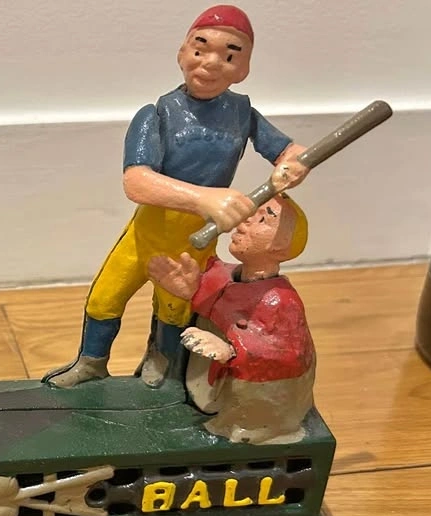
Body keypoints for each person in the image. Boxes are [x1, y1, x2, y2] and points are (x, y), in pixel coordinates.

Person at [43, 4, 309, 389]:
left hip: (194, 241)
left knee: (175, 308)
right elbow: (137, 181)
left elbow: (287, 150)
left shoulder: (243, 113)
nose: (211, 63)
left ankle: (162, 364)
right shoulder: (157, 114)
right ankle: (91, 363)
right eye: (200, 49)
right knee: (104, 298)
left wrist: (295, 163)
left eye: (229, 56)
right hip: (146, 234)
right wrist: (205, 199)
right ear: (182, 53)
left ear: (244, 69)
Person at [147, 195, 315, 444]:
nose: (244, 222)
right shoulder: (224, 274)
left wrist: (232, 351)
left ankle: (256, 429)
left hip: (257, 401)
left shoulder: (280, 301)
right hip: (209, 384)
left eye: (262, 220)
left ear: (281, 246)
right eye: (250, 214)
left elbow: (285, 354)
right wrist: (192, 291)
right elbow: (220, 305)